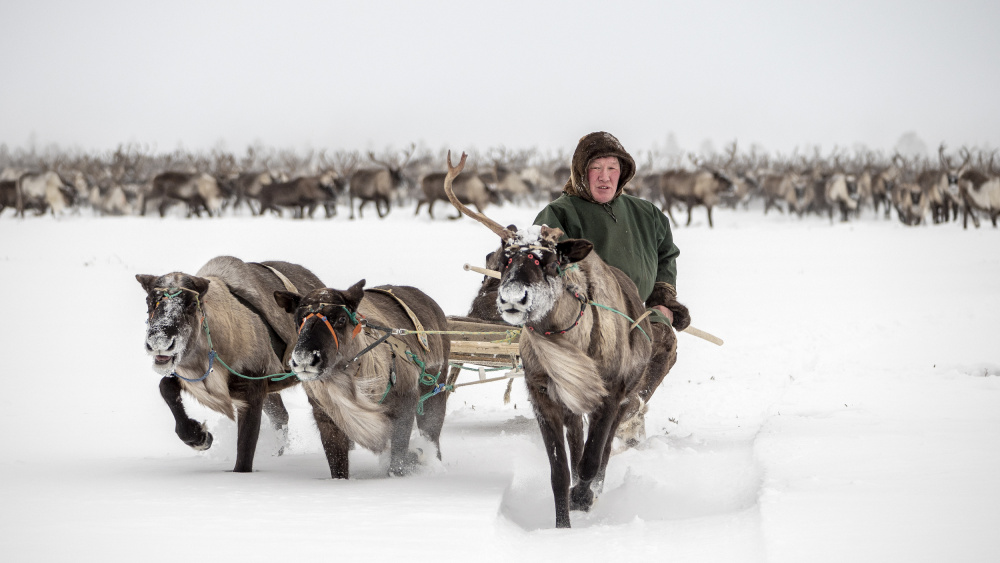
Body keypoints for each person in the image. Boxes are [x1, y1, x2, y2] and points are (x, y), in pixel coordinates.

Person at [533, 131, 690, 443]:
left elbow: (666, 255)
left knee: (663, 342)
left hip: (639, 311)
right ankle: (604, 415)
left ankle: (627, 410)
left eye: (612, 169)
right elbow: (547, 261)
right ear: (581, 173)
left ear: (624, 173)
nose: (605, 178)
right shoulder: (560, 213)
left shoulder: (647, 214)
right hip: (585, 314)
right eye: (596, 169)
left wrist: (663, 297)